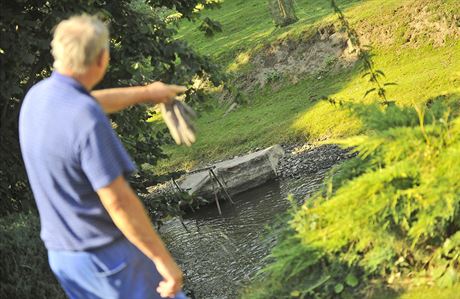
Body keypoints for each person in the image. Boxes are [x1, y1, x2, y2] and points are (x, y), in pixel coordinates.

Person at [19, 14, 187, 299]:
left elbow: (90, 101)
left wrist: (148, 93)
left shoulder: (38, 97)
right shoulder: (87, 121)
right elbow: (119, 203)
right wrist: (164, 261)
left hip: (66, 260)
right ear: (102, 59)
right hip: (110, 260)